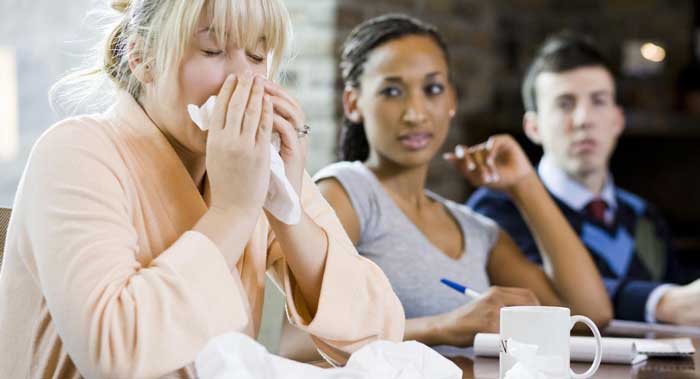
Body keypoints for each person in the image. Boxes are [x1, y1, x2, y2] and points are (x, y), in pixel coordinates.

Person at [0, 1, 405, 378]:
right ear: (142, 59)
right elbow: (115, 354)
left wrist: (289, 203)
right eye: (213, 51)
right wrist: (233, 211)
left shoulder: (254, 163)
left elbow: (378, 337)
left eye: (257, 56)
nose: (242, 80)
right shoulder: (74, 152)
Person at [312, 14, 611, 352]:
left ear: (451, 100)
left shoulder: (475, 230)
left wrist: (525, 185)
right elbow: (298, 344)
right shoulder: (346, 193)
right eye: (392, 91)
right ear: (354, 103)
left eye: (433, 89)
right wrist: (442, 327)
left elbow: (590, 318)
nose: (415, 113)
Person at [468, 31, 700, 325]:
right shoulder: (497, 209)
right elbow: (545, 298)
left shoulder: (645, 217)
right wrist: (660, 302)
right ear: (533, 127)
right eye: (564, 104)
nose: (583, 120)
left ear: (617, 120)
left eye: (598, 101)